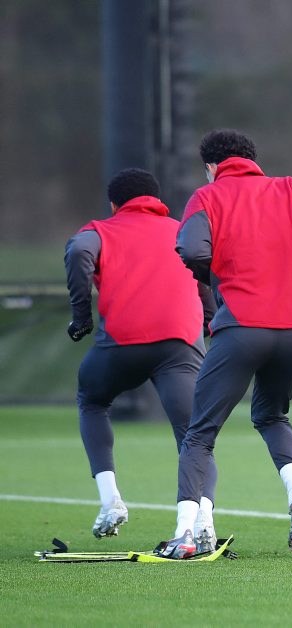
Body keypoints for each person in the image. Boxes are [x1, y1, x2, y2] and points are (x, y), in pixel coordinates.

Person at [158, 129, 292, 558]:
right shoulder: (289, 190)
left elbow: (191, 250)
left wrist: (217, 278)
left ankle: (184, 534)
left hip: (242, 327)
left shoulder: (206, 197)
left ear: (212, 166)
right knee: (272, 415)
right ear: (251, 159)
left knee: (200, 433)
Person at [64, 168, 219, 547]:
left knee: (92, 401)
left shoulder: (101, 231)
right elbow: (203, 273)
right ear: (157, 199)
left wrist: (81, 317)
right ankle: (203, 520)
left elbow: (79, 251)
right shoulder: (181, 229)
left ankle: (110, 501)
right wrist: (211, 320)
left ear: (114, 204)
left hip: (121, 342)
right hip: (180, 344)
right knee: (195, 435)